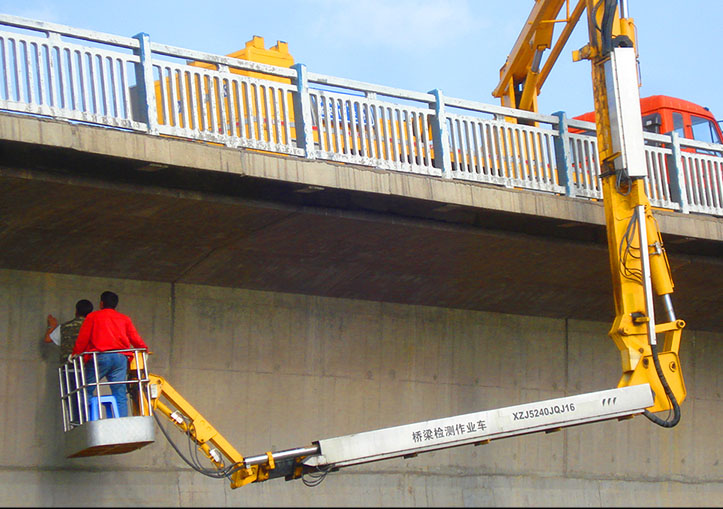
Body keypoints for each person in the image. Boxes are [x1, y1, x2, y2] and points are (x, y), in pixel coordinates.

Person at [72, 290, 149, 418]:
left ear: (101, 303)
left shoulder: (93, 317)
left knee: (85, 390)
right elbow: (134, 338)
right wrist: (143, 349)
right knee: (119, 394)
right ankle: (122, 422)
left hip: (100, 357)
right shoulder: (124, 319)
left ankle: (83, 420)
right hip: (120, 358)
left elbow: (83, 339)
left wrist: (75, 354)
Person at [44, 299, 94, 364]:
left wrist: (52, 326)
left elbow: (47, 339)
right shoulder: (94, 327)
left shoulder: (65, 326)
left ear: (76, 311)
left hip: (67, 366)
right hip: (88, 366)